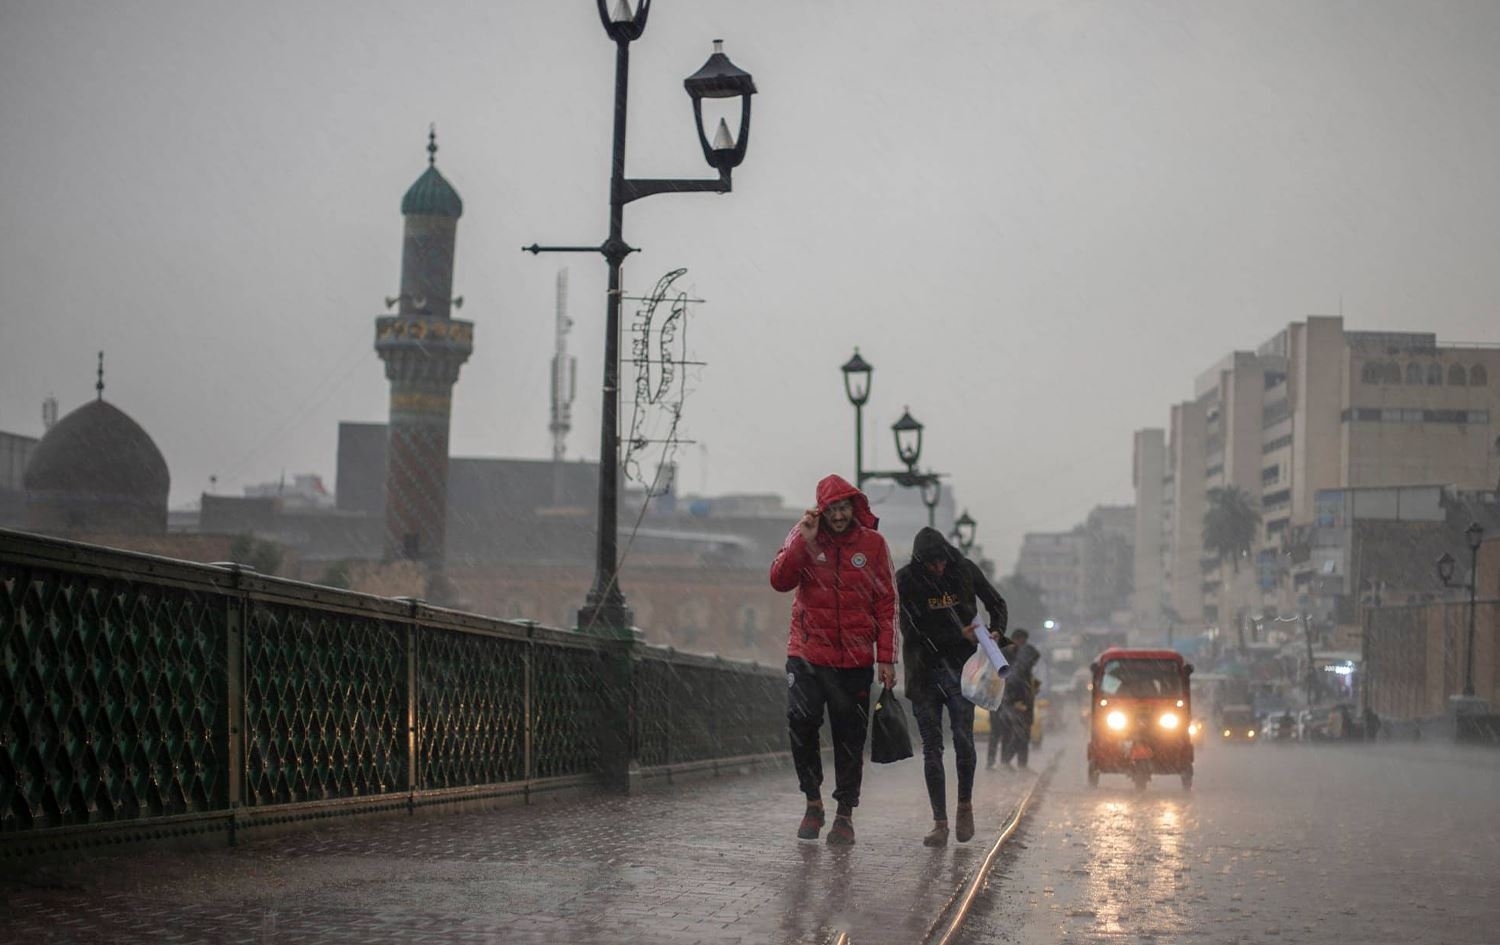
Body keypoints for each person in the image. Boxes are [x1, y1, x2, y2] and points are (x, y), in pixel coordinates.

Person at [769, 474, 897, 846]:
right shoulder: (803, 535)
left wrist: (886, 657)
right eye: (831, 510)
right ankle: (813, 802)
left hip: (854, 659)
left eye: (843, 508)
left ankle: (844, 814)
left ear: (853, 508)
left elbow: (886, 602)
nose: (838, 516)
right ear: (821, 511)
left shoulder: (873, 545)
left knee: (849, 737)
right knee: (801, 722)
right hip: (807, 654)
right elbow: (779, 580)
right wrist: (803, 543)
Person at [898, 527, 1008, 847]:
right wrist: (957, 634)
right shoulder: (906, 580)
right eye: (932, 564)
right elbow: (911, 629)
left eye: (942, 561)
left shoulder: (964, 570)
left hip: (963, 673)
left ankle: (964, 806)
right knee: (932, 748)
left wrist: (996, 631)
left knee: (963, 740)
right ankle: (940, 822)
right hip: (923, 672)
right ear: (921, 563)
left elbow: (996, 603)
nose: (939, 568)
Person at [989, 628, 1041, 770]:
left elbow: (1025, 674)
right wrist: (1012, 699)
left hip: (1023, 699)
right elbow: (1012, 679)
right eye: (1020, 641)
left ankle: (1020, 764)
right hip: (1011, 700)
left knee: (1023, 732)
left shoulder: (1023, 656)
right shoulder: (1008, 656)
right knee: (1014, 733)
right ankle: (1003, 763)